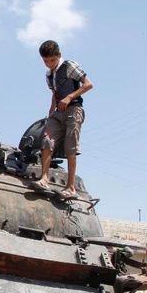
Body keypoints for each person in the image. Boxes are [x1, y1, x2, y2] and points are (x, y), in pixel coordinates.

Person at [34, 40, 93, 199]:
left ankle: (71, 187)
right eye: (46, 61)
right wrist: (51, 110)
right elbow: (54, 92)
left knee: (70, 147)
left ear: (58, 56)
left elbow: (88, 84)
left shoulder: (70, 65)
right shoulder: (49, 75)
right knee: (47, 141)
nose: (49, 64)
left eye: (52, 60)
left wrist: (69, 97)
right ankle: (44, 178)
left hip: (73, 109)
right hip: (57, 113)